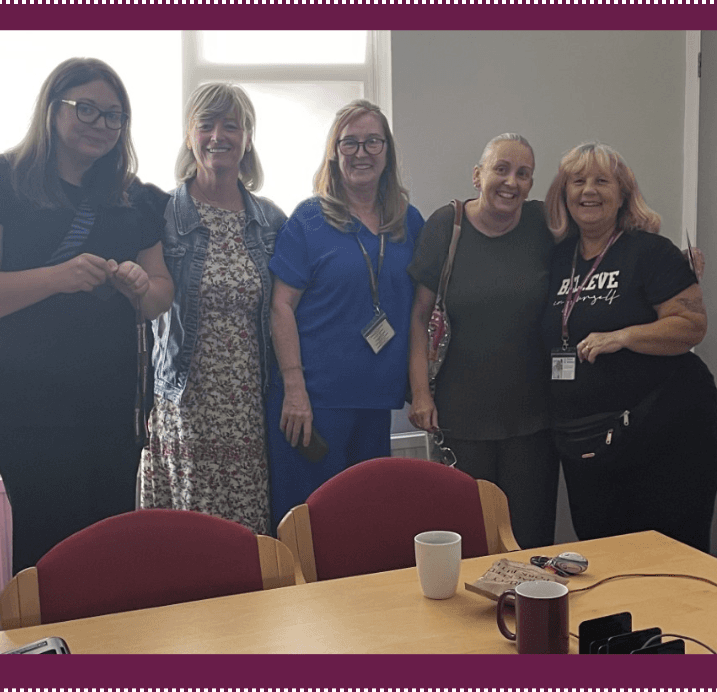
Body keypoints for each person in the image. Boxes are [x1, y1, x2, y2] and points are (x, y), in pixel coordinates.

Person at [0, 58, 174, 574]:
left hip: (114, 398)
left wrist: (141, 286)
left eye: (114, 116)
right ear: (52, 110)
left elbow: (160, 295)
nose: (101, 125)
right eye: (86, 110)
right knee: (49, 543)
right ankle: (50, 652)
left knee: (111, 541)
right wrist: (59, 277)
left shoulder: (134, 198)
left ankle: (110, 651)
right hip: (27, 398)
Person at [540, 142, 717, 553]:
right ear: (563, 193)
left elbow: (691, 325)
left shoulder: (650, 251)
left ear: (623, 193)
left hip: (665, 432)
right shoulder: (558, 258)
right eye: (578, 180)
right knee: (602, 551)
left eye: (602, 181)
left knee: (667, 552)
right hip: (589, 437)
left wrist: (623, 336)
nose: (589, 191)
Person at [267, 100, 425, 530]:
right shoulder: (309, 219)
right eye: (349, 143)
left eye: (372, 141)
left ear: (387, 151)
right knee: (308, 532)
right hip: (313, 407)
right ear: (334, 154)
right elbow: (281, 305)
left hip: (376, 404)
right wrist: (295, 390)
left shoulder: (408, 223)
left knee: (365, 529)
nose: (361, 152)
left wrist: (420, 388)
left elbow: (422, 310)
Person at [140, 84, 286, 535]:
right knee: (188, 535)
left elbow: (286, 311)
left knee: (246, 536)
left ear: (247, 138)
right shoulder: (162, 214)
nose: (217, 135)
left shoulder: (269, 221)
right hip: (184, 402)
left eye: (231, 125)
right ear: (190, 136)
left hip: (248, 405)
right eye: (206, 125)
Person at [407, 133, 563, 549]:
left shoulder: (541, 223)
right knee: (469, 538)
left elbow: (606, 231)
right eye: (501, 169)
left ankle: (528, 613)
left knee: (530, 540)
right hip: (460, 419)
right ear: (478, 176)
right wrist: (421, 394)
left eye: (523, 173)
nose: (511, 181)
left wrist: (673, 259)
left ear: (532, 184)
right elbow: (419, 317)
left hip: (533, 420)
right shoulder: (447, 224)